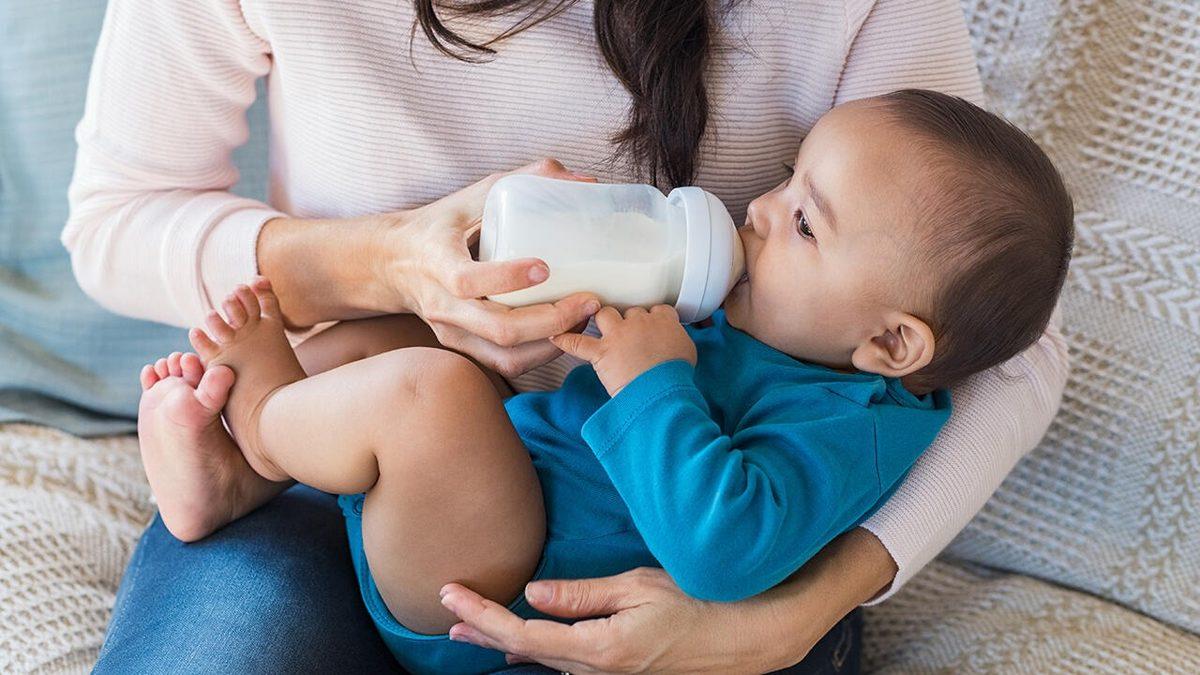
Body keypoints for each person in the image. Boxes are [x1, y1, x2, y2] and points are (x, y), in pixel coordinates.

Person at [66, 1, 1070, 672]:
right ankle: (254, 449)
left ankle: (262, 427)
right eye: (785, 181)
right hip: (364, 479)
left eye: (803, 214)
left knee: (420, 390)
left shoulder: (818, 373)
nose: (760, 211)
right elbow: (117, 218)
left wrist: (781, 621)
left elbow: (999, 344)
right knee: (390, 357)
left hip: (618, 573)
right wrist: (386, 262)